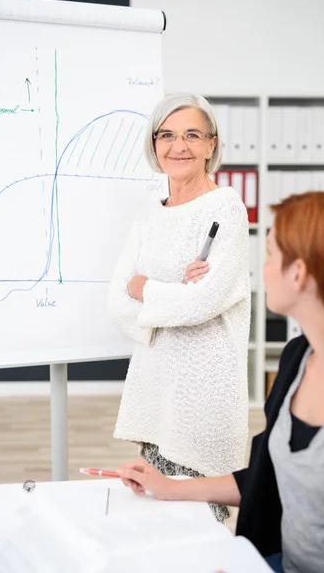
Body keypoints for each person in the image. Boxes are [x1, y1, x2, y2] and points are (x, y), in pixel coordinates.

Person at [117, 191, 324, 573]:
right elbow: (267, 473)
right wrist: (171, 488)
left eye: (270, 255)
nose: (262, 269)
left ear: (299, 273)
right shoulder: (296, 359)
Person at [108, 93, 251, 522]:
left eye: (192, 134)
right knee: (157, 519)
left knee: (198, 522)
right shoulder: (147, 216)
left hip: (202, 395)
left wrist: (145, 287)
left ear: (212, 144)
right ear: (154, 145)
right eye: (167, 135)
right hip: (155, 388)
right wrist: (176, 296)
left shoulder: (226, 208)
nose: (178, 146)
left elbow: (205, 301)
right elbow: (117, 300)